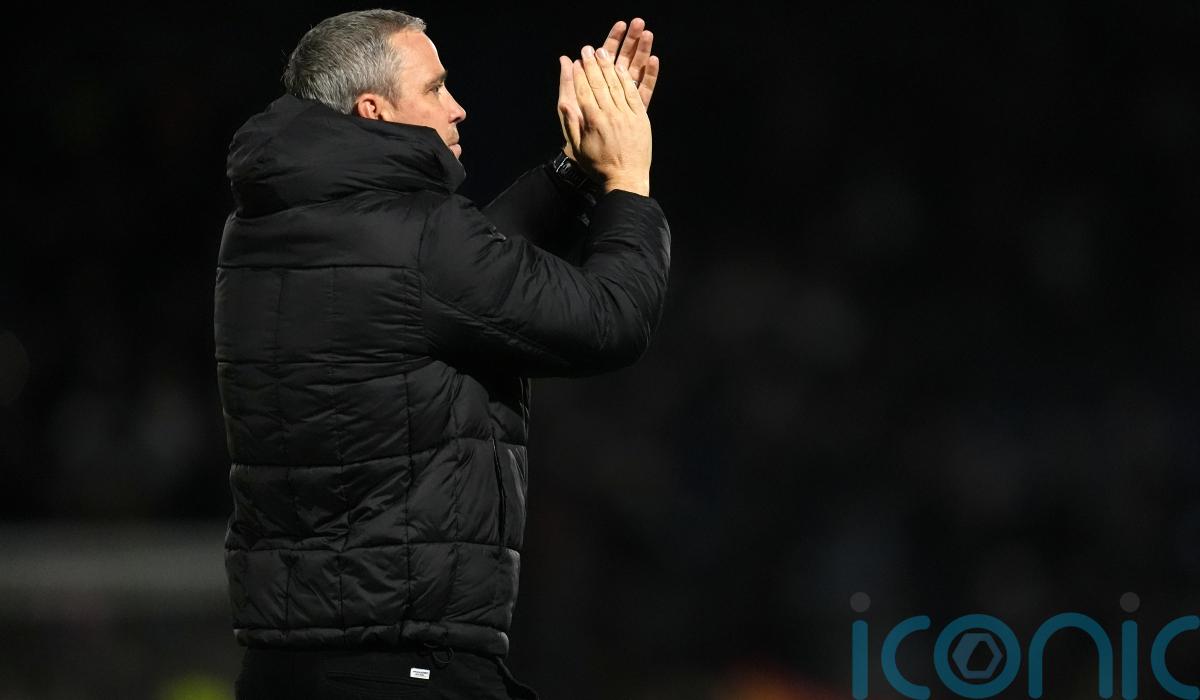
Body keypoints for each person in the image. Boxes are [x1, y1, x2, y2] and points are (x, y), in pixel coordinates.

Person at [214, 9, 670, 699]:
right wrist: (626, 180)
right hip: (407, 666)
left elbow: (456, 275)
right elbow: (612, 320)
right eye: (434, 88)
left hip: (282, 667)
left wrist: (572, 171)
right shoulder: (421, 241)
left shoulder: (262, 228)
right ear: (373, 110)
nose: (457, 107)